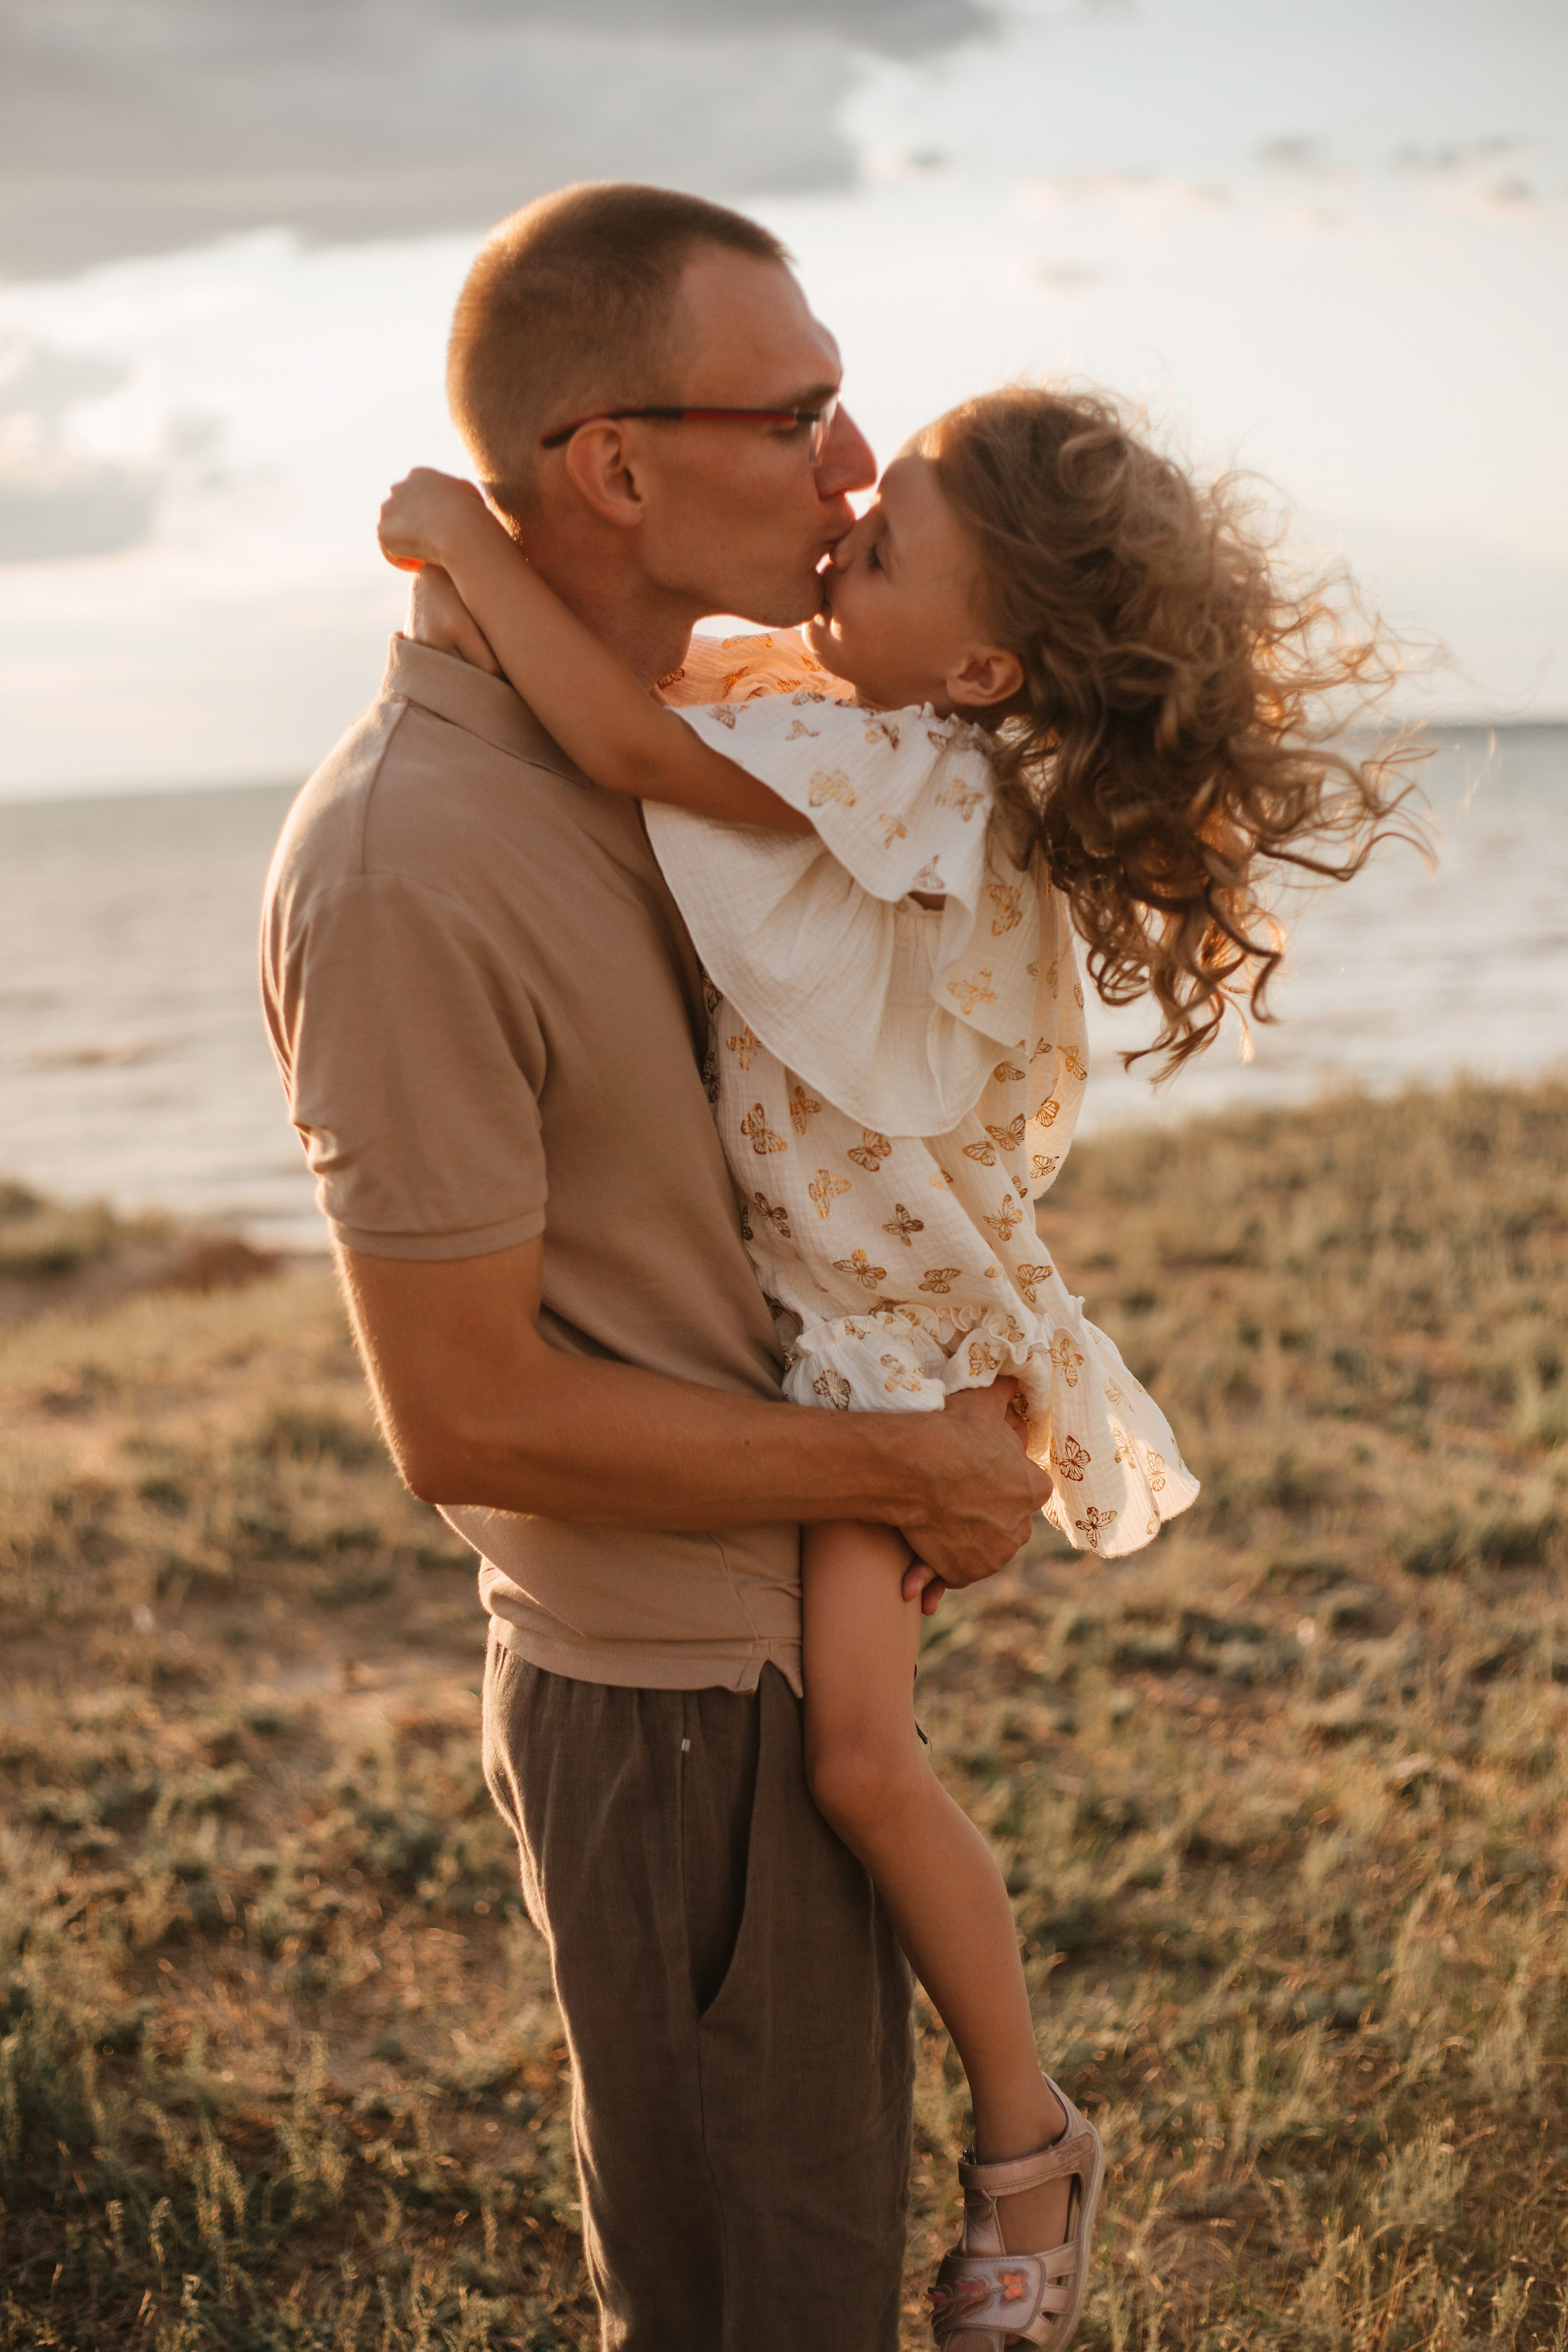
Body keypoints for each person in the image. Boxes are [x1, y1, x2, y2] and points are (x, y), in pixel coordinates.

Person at [375, 377, 1411, 2349]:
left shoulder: (921, 774)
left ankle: (1030, 2139)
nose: (853, 520)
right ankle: (1026, 2132)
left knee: (858, 1762)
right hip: (853, 1323)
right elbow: (670, 671)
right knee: (860, 1758)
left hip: (889, 1355)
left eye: (903, 534)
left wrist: (463, 539)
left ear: (994, 658)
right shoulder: (882, 720)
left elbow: (610, 729)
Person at [261, 182, 1054, 2352]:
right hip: (681, 1728)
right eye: (800, 411)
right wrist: (903, 1469)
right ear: (614, 465)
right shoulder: (415, 860)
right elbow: (468, 1415)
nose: (859, 462)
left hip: (773, 1659)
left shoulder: (700, 744)